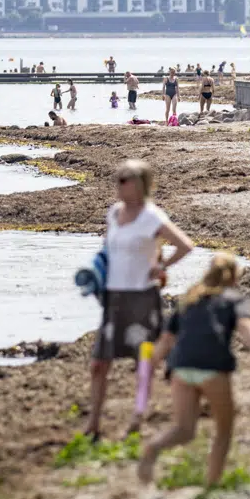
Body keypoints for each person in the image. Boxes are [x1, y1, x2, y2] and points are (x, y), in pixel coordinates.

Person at [136, 253, 250, 488]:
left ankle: (152, 448)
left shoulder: (189, 298)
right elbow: (246, 327)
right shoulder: (234, 299)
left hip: (180, 367)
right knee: (223, 431)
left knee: (183, 429)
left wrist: (149, 367)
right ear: (234, 278)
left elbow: (166, 340)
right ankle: (211, 487)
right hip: (213, 366)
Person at [84, 159, 195, 440]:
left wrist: (162, 267)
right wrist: (96, 277)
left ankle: (138, 415)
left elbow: (185, 245)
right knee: (99, 363)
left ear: (140, 184)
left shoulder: (151, 216)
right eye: (118, 178)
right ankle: (93, 424)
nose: (118, 184)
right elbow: (108, 250)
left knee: (144, 361)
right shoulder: (113, 213)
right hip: (114, 297)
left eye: (125, 179)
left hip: (142, 298)